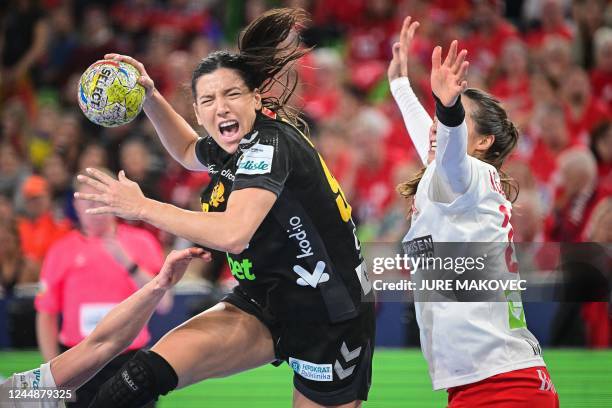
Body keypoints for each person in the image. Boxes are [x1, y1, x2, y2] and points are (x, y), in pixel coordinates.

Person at [76, 8, 375, 408]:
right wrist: (150, 95)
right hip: (261, 301)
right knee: (141, 375)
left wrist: (143, 207)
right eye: (208, 100)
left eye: (232, 94)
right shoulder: (234, 143)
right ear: (197, 112)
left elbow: (234, 233)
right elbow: (185, 150)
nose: (221, 107)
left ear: (256, 98)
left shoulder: (269, 145)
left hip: (325, 315)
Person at [387, 17, 559, 407]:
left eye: (454, 123)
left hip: (501, 386)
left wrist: (448, 107)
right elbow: (433, 139)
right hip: (492, 381)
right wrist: (400, 84)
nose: (437, 128)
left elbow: (445, 146)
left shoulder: (466, 176)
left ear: (482, 141)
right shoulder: (460, 183)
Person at [0, 247, 211, 408]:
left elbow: (101, 345)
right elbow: (102, 345)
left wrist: (157, 286)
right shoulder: (13, 394)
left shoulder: (12, 394)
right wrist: (157, 286)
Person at [35, 180, 168, 407]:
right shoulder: (61, 250)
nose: (95, 208)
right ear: (76, 206)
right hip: (78, 361)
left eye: (101, 199)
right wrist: (53, 377)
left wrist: (128, 263)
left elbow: (165, 303)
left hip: (130, 360)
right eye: (88, 200)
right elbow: (46, 315)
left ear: (114, 201)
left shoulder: (142, 242)